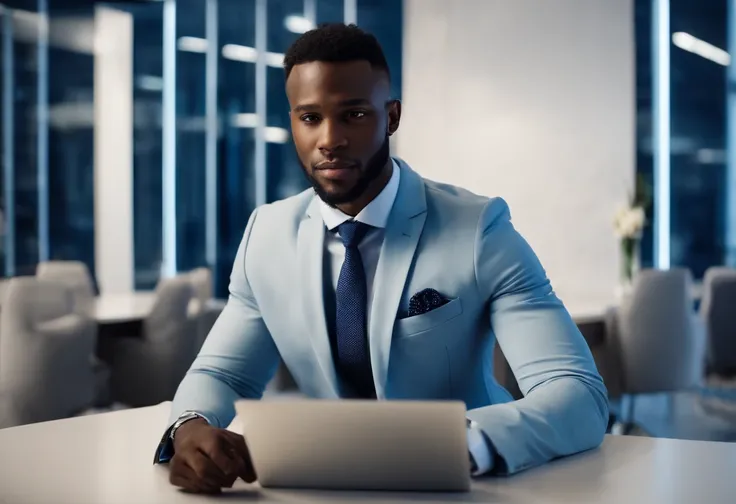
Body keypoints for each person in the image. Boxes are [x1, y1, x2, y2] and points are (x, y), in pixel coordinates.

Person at [155, 23, 608, 494]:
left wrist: (469, 444)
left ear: (391, 117)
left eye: (352, 115)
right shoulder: (265, 235)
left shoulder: (478, 229)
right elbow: (222, 372)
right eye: (309, 118)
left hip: (470, 484)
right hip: (322, 483)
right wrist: (190, 426)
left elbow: (577, 393)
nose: (329, 139)